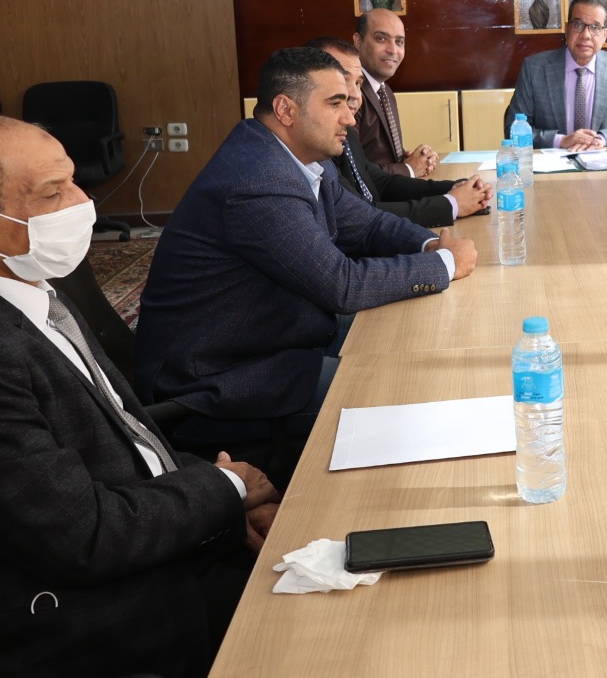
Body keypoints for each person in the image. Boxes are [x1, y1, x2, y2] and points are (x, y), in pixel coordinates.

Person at [0, 112, 279, 678]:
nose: (82, 202)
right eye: (52, 193)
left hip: (151, 563)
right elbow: (84, 537)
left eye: (73, 181)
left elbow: (127, 441)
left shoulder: (18, 286)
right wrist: (228, 487)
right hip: (89, 632)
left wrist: (229, 505)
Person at [135, 47, 477, 446]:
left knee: (414, 343)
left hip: (275, 333)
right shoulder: (257, 180)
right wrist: (444, 264)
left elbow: (367, 224)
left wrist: (430, 243)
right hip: (217, 379)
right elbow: (342, 286)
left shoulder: (304, 158)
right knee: (402, 388)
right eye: (335, 104)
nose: (350, 118)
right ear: (286, 110)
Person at [309, 36, 492, 227]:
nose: (355, 94)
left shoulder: (347, 135)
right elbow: (363, 215)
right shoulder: (316, 150)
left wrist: (454, 188)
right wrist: (452, 204)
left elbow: (382, 183)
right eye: (343, 81)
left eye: (358, 83)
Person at [505, 0, 607, 149]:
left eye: (595, 27)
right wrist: (561, 140)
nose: (586, 35)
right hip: (553, 162)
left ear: (605, 35)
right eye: (578, 25)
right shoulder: (534, 68)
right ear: (567, 30)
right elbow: (513, 129)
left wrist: (602, 139)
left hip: (601, 159)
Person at [354, 8, 440, 177]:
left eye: (399, 42)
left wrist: (412, 160)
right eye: (381, 38)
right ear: (358, 41)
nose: (393, 50)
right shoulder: (350, 94)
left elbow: (378, 156)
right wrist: (408, 170)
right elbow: (354, 172)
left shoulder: (385, 91)